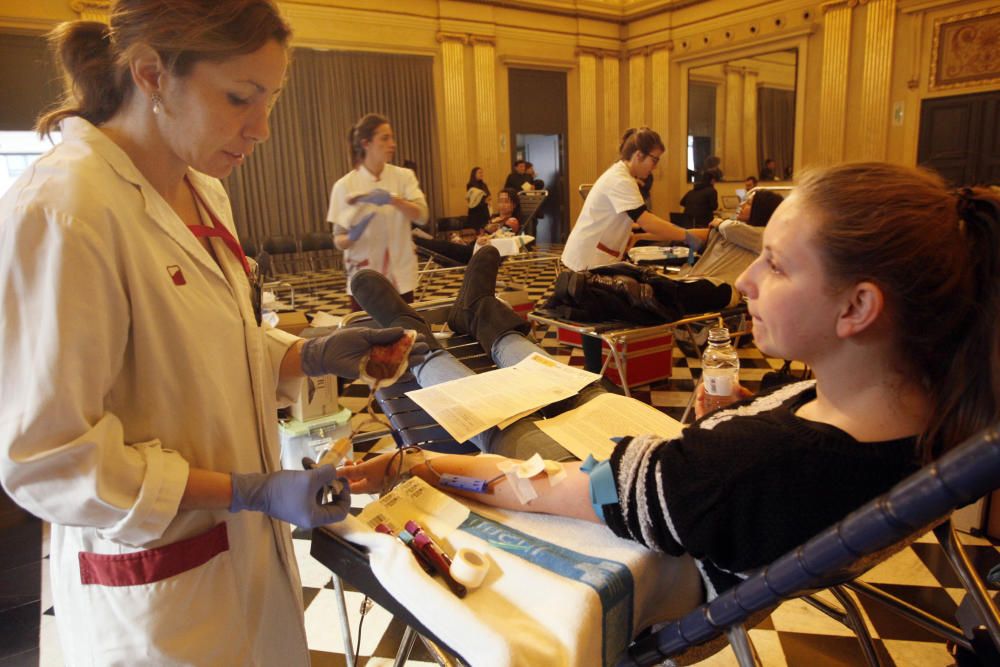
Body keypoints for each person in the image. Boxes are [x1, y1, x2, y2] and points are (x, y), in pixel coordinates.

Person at [343, 163, 1000, 602]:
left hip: (568, 465)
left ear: (856, 308)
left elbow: (527, 484)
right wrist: (734, 415)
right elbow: (756, 470)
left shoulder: (734, 468)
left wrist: (410, 458)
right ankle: (477, 309)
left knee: (447, 373)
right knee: (541, 365)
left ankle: (418, 318)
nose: (745, 282)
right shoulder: (935, 415)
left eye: (773, 263)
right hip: (630, 446)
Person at [0, 2, 426, 663]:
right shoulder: (64, 211)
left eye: (270, 100)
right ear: (151, 75)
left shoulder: (201, 189)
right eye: (239, 98)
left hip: (244, 560)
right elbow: (48, 457)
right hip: (161, 592)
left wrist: (307, 354)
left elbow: (193, 349)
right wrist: (245, 489)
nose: (260, 129)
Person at [328, 113, 429, 311]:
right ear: (366, 143)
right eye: (385, 138)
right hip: (363, 277)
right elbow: (338, 240)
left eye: (392, 137)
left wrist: (394, 200)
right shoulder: (345, 185)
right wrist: (353, 236)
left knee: (404, 334)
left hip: (400, 275)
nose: (392, 144)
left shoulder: (404, 177)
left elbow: (422, 215)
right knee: (367, 337)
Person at [562, 127, 690, 272]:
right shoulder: (620, 180)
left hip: (590, 256)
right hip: (587, 260)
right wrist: (688, 236)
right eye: (654, 160)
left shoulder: (623, 175)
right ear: (639, 155)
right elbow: (648, 222)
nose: (655, 167)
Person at [676, 189, 784, 288]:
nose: (741, 205)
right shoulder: (738, 233)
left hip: (717, 287)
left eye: (749, 203)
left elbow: (729, 227)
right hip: (699, 280)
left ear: (761, 210)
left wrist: (720, 222)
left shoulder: (762, 235)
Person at [466, 166, 491, 231]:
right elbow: (473, 198)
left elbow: (488, 194)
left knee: (486, 229)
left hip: (484, 210)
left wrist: (488, 199)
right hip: (475, 211)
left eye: (482, 173)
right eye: (479, 173)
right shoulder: (470, 185)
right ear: (474, 174)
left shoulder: (484, 184)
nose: (481, 174)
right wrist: (483, 198)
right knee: (476, 230)